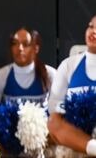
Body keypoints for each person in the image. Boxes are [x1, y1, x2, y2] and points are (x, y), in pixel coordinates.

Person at [0, 27, 56, 152]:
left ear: (36, 48)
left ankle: (34, 150)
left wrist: (35, 128)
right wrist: (8, 126)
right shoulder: (0, 76)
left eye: (25, 44)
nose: (20, 48)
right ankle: (7, 152)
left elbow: (58, 115)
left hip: (40, 137)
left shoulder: (50, 74)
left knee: (61, 132)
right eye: (15, 43)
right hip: (10, 138)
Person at [48, 15, 96, 156]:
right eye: (91, 26)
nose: (93, 31)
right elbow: (55, 115)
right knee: (53, 123)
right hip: (75, 138)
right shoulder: (68, 65)